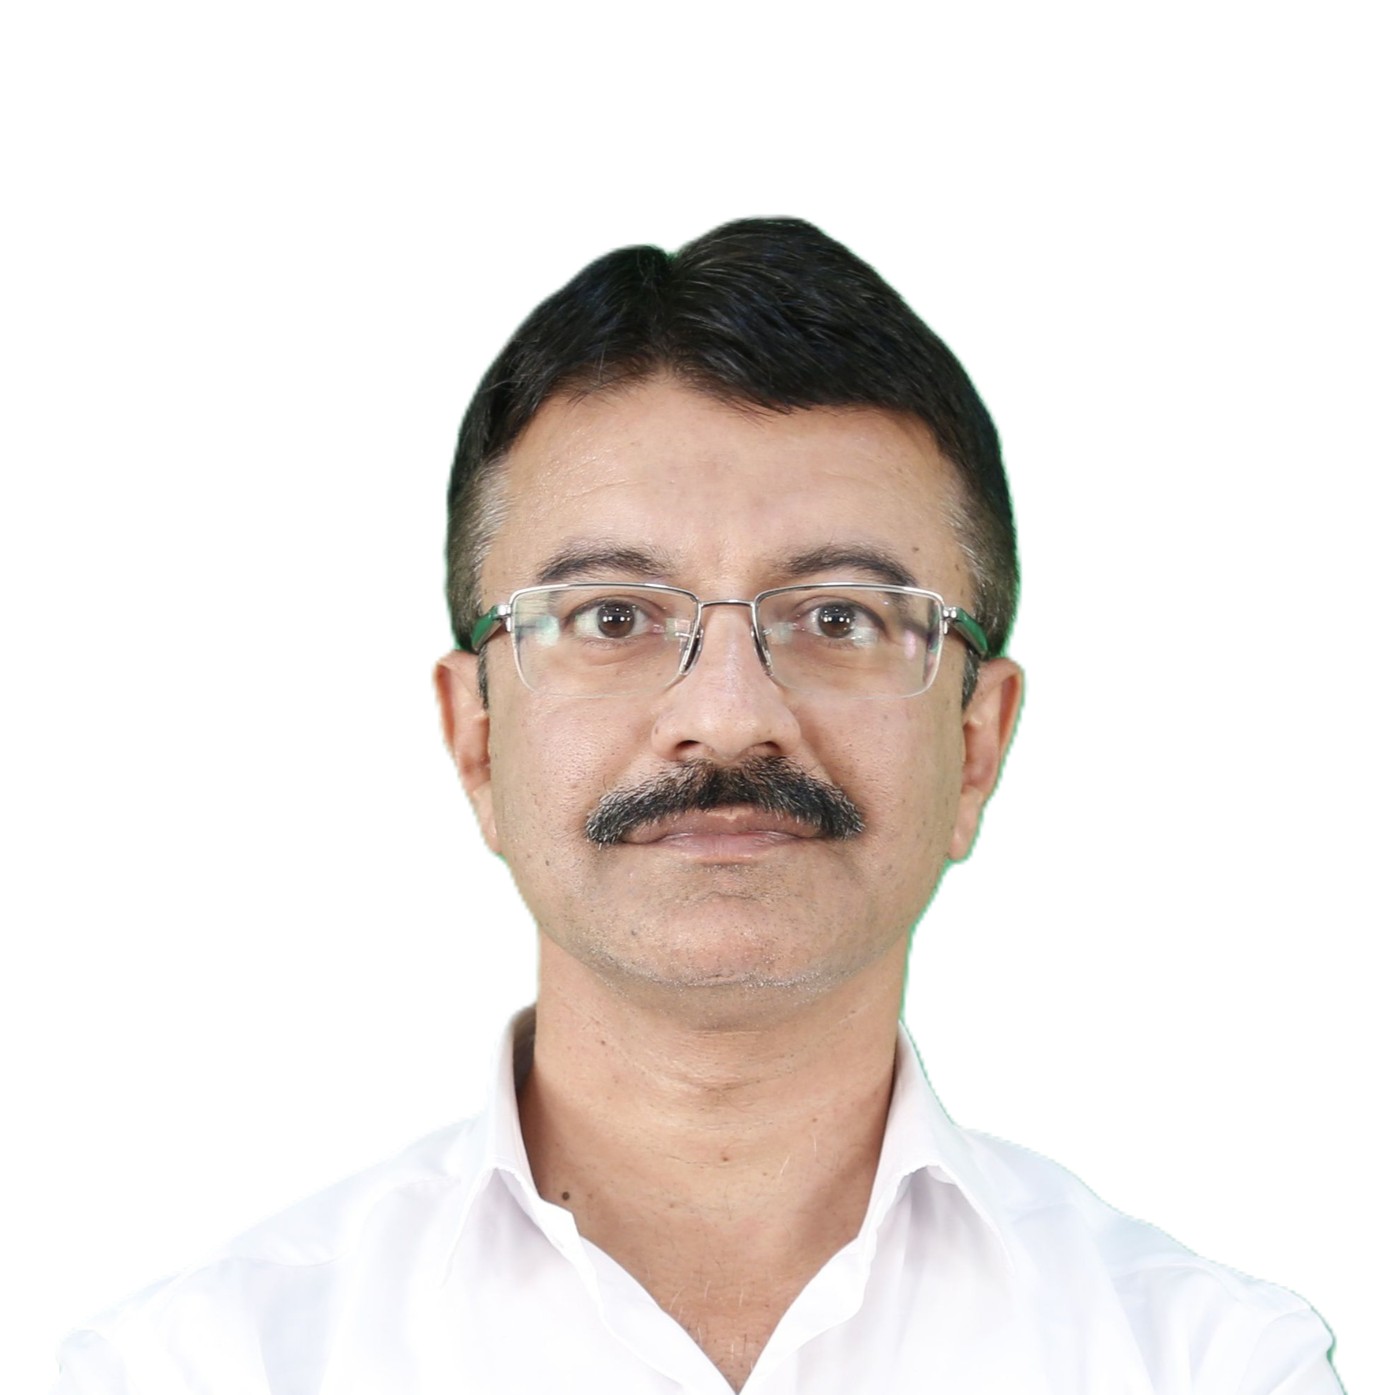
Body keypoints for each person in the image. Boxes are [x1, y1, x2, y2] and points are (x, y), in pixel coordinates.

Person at [52, 218, 1342, 1394]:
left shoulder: (1213, 1366)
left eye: (841, 617)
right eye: (614, 618)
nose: (729, 716)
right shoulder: (193, 1370)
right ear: (476, 737)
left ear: (976, 743)